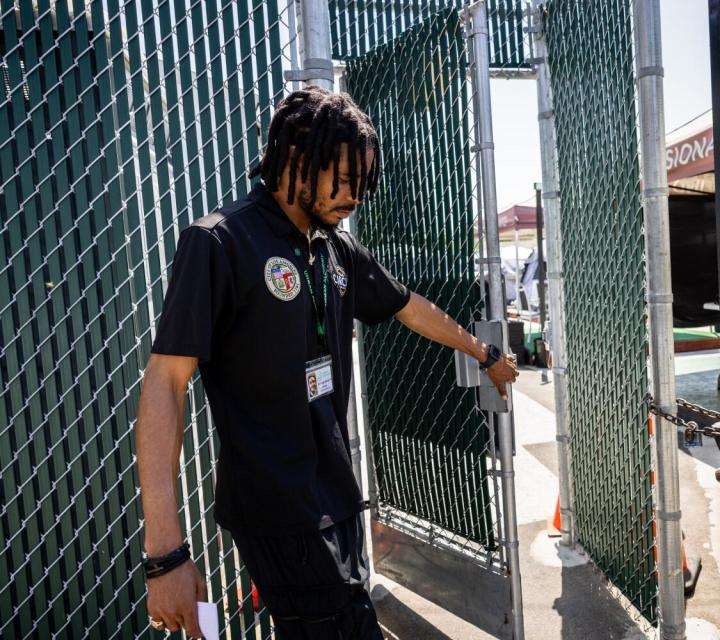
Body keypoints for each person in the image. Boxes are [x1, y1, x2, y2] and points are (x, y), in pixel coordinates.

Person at [134, 87, 518, 639]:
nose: (355, 196)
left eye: (362, 183)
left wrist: (485, 354)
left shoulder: (332, 247)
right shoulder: (219, 242)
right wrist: (164, 555)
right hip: (278, 509)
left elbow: (410, 307)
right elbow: (164, 384)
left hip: (335, 498)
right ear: (295, 159)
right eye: (343, 178)